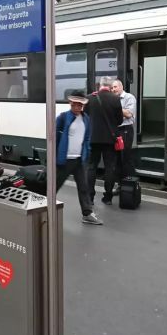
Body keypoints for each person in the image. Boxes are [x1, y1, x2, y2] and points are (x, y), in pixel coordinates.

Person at [56, 90, 103, 225]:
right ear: (70, 103)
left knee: (84, 187)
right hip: (64, 160)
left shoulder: (86, 119)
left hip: (79, 160)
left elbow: (87, 138)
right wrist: (55, 155)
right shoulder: (63, 117)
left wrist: (86, 153)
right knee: (54, 186)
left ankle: (87, 214)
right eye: (74, 105)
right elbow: (53, 136)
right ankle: (40, 208)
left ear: (83, 105)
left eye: (79, 105)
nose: (76, 107)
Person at [84, 76, 123, 205]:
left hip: (93, 138)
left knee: (91, 167)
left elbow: (85, 118)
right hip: (110, 139)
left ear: (99, 85)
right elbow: (120, 121)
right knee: (109, 168)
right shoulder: (116, 99)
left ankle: (90, 197)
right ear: (110, 86)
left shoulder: (89, 98)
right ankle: (108, 197)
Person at [112, 79, 137, 180]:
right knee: (117, 158)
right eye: (112, 88)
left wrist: (115, 106)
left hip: (125, 130)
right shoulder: (113, 99)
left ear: (121, 87)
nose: (113, 89)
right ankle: (120, 183)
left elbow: (128, 114)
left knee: (125, 156)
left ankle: (130, 182)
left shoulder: (129, 97)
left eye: (115, 87)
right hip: (115, 130)